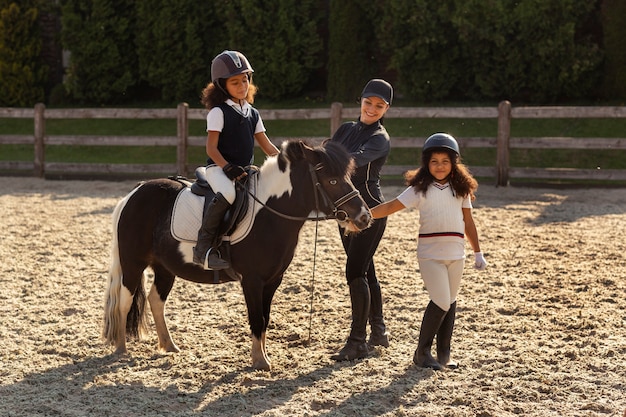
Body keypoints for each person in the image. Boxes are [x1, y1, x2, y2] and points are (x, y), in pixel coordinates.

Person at [370, 133, 488, 370]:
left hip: (456, 254)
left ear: (453, 163)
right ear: (426, 163)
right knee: (442, 300)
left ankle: (444, 353)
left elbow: (469, 221)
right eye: (434, 161)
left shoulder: (461, 190)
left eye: (445, 161)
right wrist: (364, 214)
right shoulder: (418, 189)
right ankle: (421, 353)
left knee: (450, 301)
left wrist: (478, 251)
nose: (440, 166)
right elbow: (392, 206)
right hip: (430, 254)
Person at [193, 50, 279, 270]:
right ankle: (203, 247)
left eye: (245, 80)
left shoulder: (252, 113)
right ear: (222, 85)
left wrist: (287, 161)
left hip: (244, 170)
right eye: (235, 82)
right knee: (229, 194)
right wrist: (228, 167)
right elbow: (211, 148)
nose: (242, 86)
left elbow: (267, 146)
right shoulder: (218, 112)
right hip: (219, 169)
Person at [329, 79, 394, 361]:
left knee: (355, 271)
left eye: (379, 106)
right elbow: (328, 155)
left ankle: (358, 342)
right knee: (366, 270)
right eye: (368, 103)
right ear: (361, 101)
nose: (372, 109)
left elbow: (347, 161)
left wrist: (325, 157)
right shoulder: (345, 129)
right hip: (345, 210)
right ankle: (378, 330)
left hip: (370, 213)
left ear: (386, 109)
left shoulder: (380, 138)